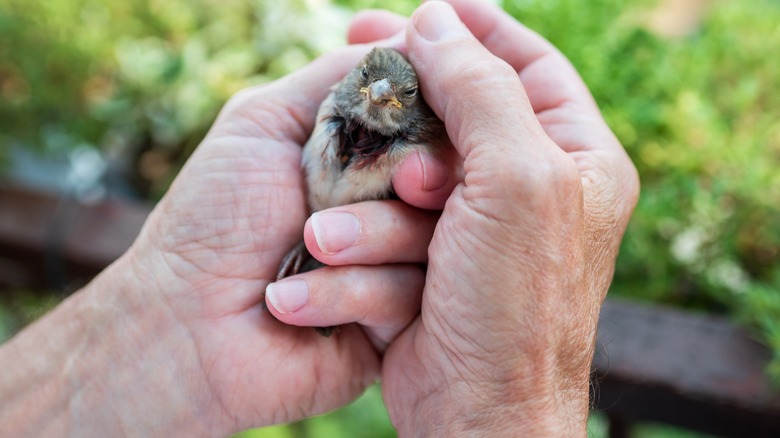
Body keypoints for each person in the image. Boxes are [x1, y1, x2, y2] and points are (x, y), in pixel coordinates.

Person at [0, 0, 638, 436]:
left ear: (412, 107)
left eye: (395, 97)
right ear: (355, 83)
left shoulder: (418, 145)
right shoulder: (332, 105)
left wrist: (489, 403)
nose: (378, 100)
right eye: (368, 87)